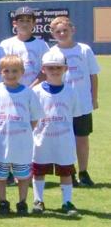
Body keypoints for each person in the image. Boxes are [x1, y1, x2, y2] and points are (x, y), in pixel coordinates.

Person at [0, 55, 40, 215]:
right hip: (1, 143)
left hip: (22, 144)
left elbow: (35, 118)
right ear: (0, 72)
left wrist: (23, 130)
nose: (10, 74)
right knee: (0, 175)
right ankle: (2, 201)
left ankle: (22, 202)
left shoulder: (28, 93)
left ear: (22, 72)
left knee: (23, 176)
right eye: (6, 71)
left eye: (15, 71)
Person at [47, 16, 99, 187]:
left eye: (65, 30)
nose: (62, 33)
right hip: (60, 104)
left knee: (82, 138)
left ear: (72, 30)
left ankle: (83, 171)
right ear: (53, 34)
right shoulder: (51, 53)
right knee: (65, 139)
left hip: (82, 103)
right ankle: (70, 172)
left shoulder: (84, 50)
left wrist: (94, 98)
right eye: (58, 31)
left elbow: (93, 75)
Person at [31, 51, 79, 216]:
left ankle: (67, 202)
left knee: (65, 171)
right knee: (39, 171)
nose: (55, 71)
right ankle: (38, 200)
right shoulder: (36, 91)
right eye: (50, 68)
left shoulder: (71, 91)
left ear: (65, 68)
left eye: (58, 67)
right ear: (43, 69)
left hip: (64, 139)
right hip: (41, 138)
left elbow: (73, 112)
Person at [0, 6, 48, 86]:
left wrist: (31, 88)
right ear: (14, 23)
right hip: (12, 90)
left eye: (28, 21)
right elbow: (2, 70)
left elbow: (46, 70)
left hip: (35, 91)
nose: (25, 24)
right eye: (21, 21)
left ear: (34, 24)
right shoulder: (5, 44)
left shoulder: (42, 45)